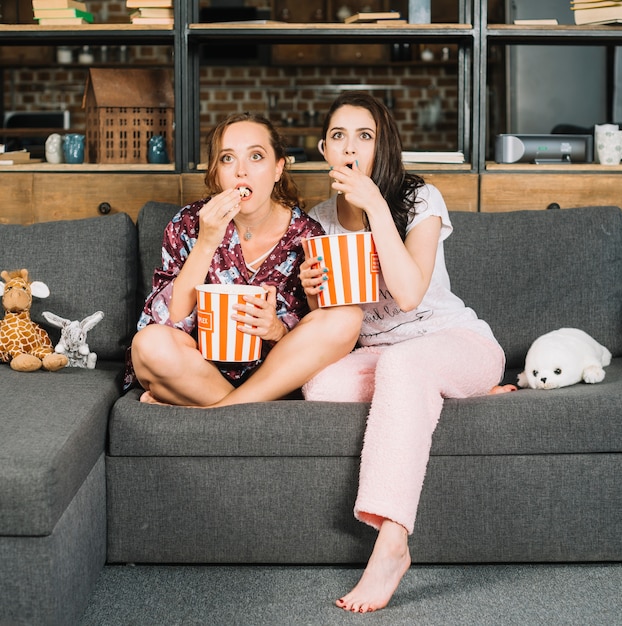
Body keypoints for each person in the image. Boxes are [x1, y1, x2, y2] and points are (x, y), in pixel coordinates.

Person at [299, 92, 507, 613]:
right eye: (339, 136)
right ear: (324, 148)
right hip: (382, 356)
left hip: (455, 342)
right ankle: (435, 397)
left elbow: (410, 292)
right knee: (318, 383)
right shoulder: (317, 219)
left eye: (364, 136)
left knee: (404, 363)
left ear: (382, 147)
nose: (350, 148)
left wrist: (373, 206)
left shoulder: (419, 199)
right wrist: (309, 290)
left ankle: (391, 541)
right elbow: (332, 326)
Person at [129, 112, 362, 407]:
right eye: (227, 159)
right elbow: (171, 318)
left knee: (347, 318)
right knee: (148, 344)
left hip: (272, 375)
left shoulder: (308, 236)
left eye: (256, 156)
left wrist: (276, 330)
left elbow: (315, 337)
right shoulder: (188, 223)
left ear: (279, 168)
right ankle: (248, 408)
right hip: (201, 370)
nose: (241, 171)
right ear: (215, 173)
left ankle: (215, 410)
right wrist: (207, 241)